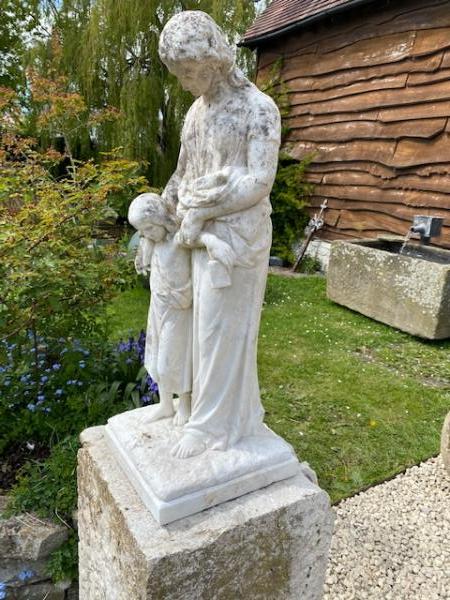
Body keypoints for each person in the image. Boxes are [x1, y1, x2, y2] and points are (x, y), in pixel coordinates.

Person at [158, 11, 281, 459]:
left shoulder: (258, 109)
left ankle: (214, 427)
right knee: (199, 329)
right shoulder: (196, 112)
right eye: (179, 74)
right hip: (197, 234)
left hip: (237, 240)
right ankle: (213, 417)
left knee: (221, 332)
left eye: (189, 71)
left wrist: (207, 207)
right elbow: (183, 172)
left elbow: (259, 181)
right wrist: (163, 206)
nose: (185, 82)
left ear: (214, 60)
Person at [129, 193, 192, 426]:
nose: (145, 235)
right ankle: (166, 404)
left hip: (179, 308)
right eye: (142, 231)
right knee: (156, 355)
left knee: (176, 357)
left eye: (149, 229)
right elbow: (148, 261)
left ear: (161, 220)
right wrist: (142, 254)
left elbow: (197, 264)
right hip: (158, 305)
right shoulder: (152, 243)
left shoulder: (180, 240)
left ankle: (185, 404)